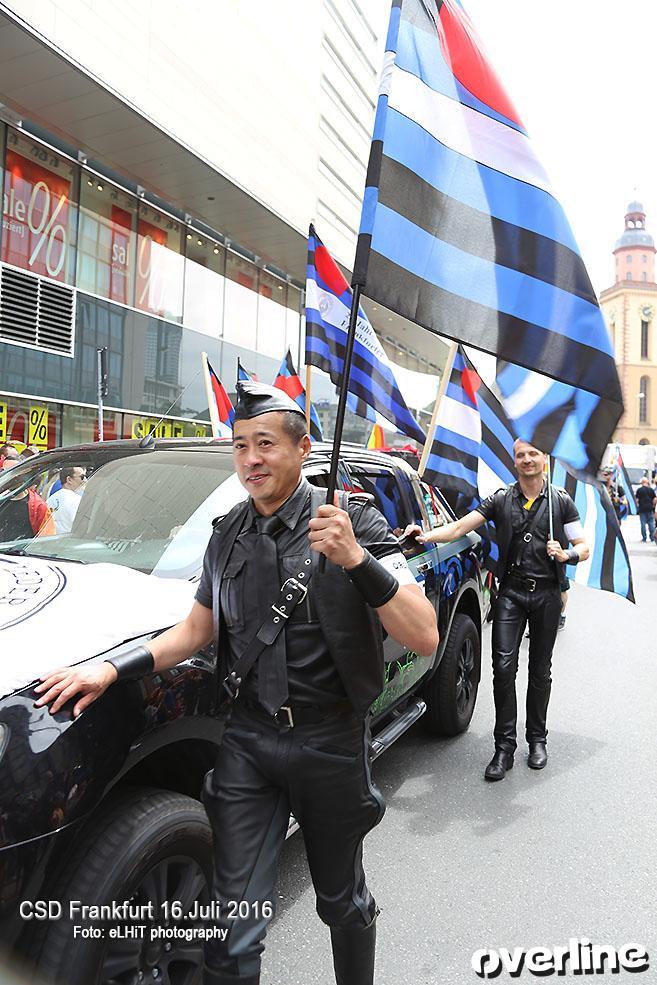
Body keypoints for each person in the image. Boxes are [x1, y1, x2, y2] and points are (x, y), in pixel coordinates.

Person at [35, 380, 439, 985]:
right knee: (229, 931)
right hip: (249, 741)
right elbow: (196, 628)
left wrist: (357, 559)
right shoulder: (226, 534)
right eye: (241, 445)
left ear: (303, 449)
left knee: (341, 901)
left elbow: (425, 635)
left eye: (267, 444)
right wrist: (112, 667)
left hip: (329, 742)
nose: (251, 459)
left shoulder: (352, 522)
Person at [405, 439, 589, 780]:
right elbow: (460, 527)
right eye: (521, 455)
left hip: (547, 595)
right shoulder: (501, 499)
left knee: (540, 670)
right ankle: (504, 747)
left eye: (533, 453)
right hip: (511, 594)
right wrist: (426, 536)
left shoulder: (560, 501)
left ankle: (537, 739)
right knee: (503, 669)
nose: (527, 460)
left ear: (544, 459)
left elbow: (583, 546)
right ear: (514, 461)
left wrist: (567, 555)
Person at [0, 454, 56, 541]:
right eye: (4, 471)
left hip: (20, 553)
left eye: (14, 472)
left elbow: (46, 540)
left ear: (24, 474)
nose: (8, 477)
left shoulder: (39, 507)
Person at [46, 466, 87, 534]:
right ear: (69, 480)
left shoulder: (51, 499)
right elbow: (81, 526)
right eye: (82, 477)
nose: (84, 480)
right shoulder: (76, 500)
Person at [635, 477, 656, 543]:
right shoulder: (651, 490)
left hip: (642, 508)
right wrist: (653, 505)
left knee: (643, 523)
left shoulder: (639, 490)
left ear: (642, 482)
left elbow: (637, 500)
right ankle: (652, 538)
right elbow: (655, 499)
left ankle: (644, 538)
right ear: (647, 482)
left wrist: (638, 506)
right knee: (651, 523)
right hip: (650, 508)